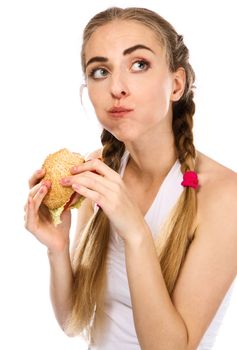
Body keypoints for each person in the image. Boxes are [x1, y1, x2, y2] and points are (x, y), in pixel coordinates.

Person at [24, 6, 237, 350]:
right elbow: (73, 322)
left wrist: (135, 231)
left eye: (139, 64)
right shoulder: (99, 171)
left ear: (176, 84)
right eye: (99, 71)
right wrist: (58, 249)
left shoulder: (225, 195)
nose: (116, 87)